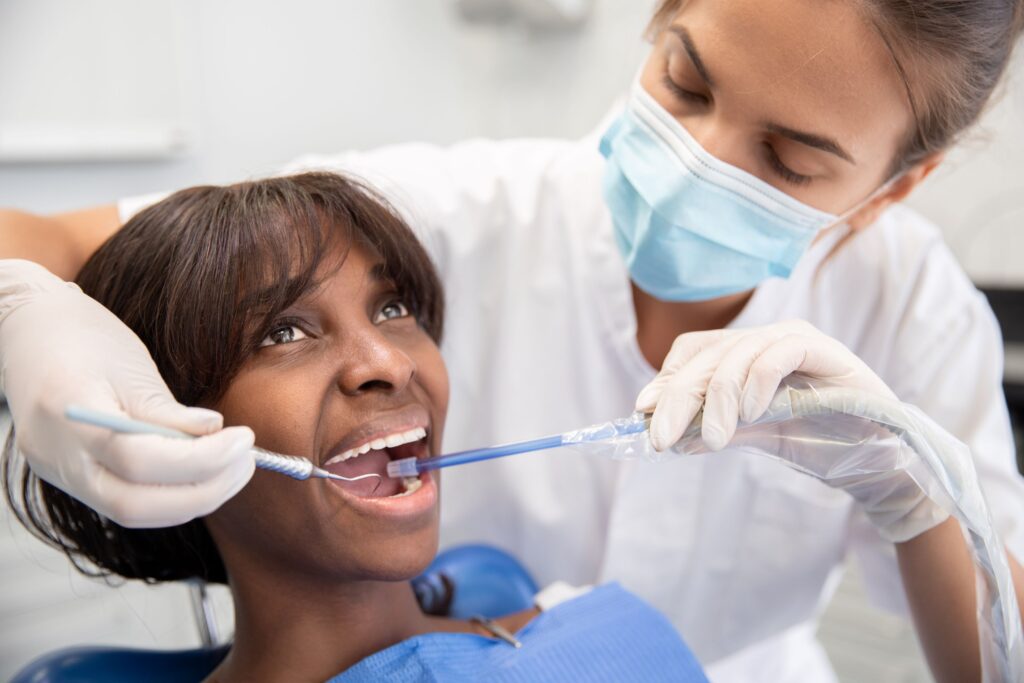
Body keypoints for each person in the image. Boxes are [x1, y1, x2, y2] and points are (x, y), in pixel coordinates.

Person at [1, 0, 1023, 680]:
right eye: (686, 81)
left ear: (894, 185)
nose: (382, 359)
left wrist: (914, 490)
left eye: (789, 159)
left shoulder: (912, 308)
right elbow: (45, 240)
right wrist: (25, 309)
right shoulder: (447, 214)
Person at [3, 172, 708, 683]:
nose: (388, 363)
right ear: (166, 427)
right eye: (283, 331)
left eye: (394, 308)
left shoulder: (609, 636)